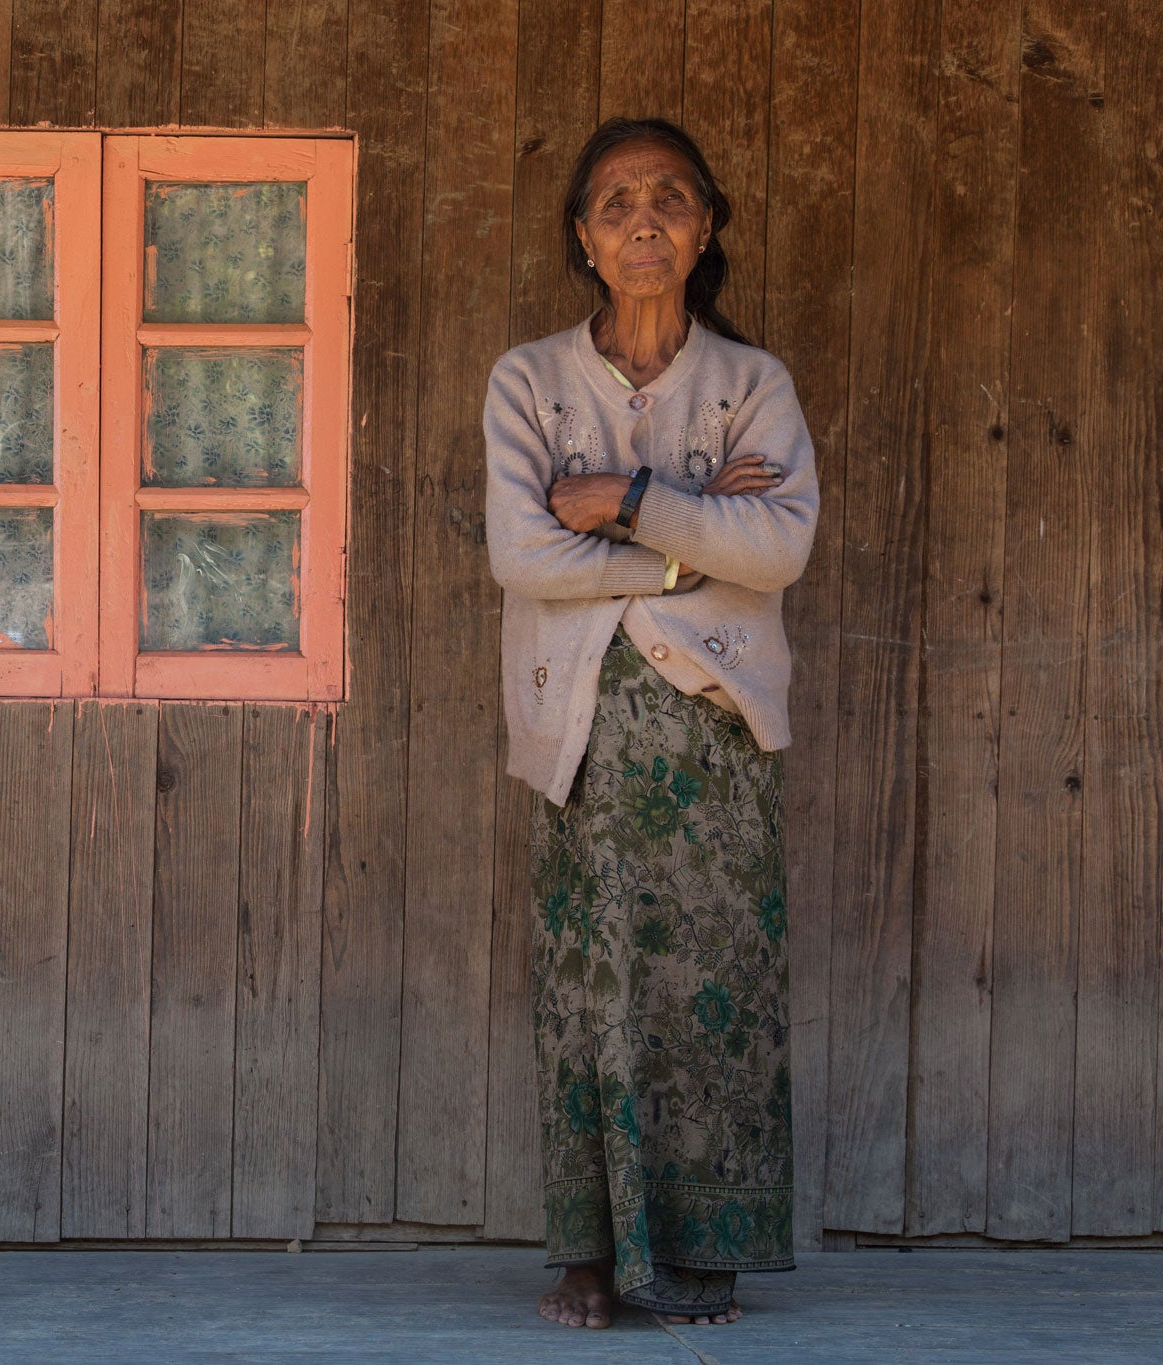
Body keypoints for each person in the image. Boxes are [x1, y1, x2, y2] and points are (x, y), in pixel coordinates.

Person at [483, 117, 818, 1328]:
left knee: (707, 984)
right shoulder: (527, 381)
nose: (641, 221)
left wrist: (623, 502)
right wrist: (685, 537)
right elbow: (523, 553)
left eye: (667, 200)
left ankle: (699, 1253)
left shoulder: (749, 385)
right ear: (582, 236)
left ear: (703, 228)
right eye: (614, 202)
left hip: (714, 740)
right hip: (574, 735)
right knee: (589, 987)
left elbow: (775, 547)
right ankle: (587, 1256)